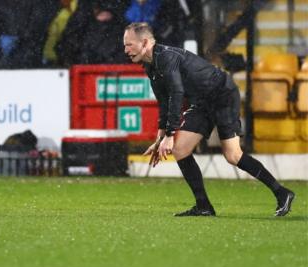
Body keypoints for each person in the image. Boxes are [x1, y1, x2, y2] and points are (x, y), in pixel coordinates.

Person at [123, 22, 295, 217]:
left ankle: (282, 193)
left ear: (145, 42)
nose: (125, 49)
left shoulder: (166, 58)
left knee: (233, 155)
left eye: (129, 44)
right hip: (202, 101)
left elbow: (177, 94)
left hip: (222, 95)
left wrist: (170, 135)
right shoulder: (150, 65)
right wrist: (160, 137)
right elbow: (164, 101)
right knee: (181, 150)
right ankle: (204, 206)